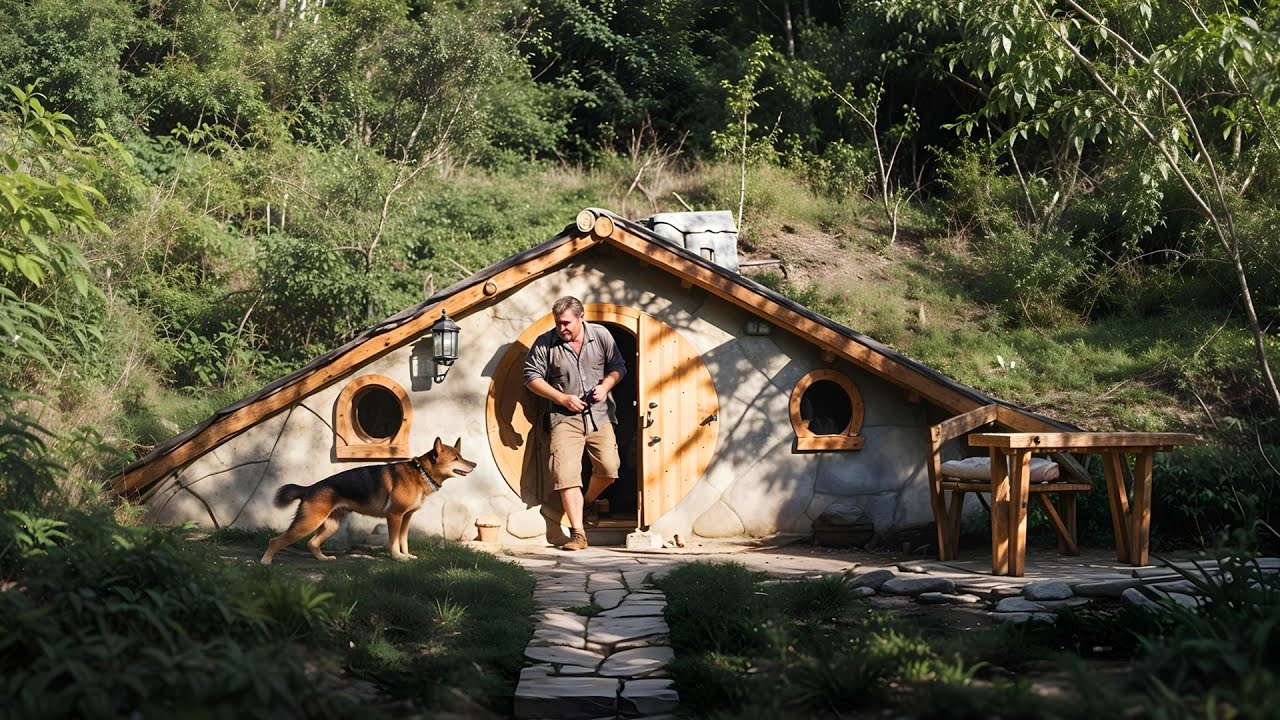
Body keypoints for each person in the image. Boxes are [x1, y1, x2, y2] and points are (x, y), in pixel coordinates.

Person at [523, 296, 626, 551]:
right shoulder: (546, 343)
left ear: (581, 317)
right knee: (566, 475)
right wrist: (561, 398)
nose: (562, 329)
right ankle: (578, 534)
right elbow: (530, 377)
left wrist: (605, 386)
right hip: (563, 418)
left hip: (600, 415)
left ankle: (589, 501)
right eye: (558, 323)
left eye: (567, 323)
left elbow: (618, 367)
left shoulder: (601, 336)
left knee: (609, 469)